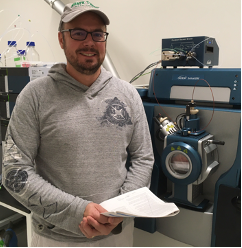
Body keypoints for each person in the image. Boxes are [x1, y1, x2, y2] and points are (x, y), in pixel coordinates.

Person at [2, 1, 154, 247]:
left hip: (118, 234)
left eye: (97, 34)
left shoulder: (128, 94)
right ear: (61, 39)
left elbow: (143, 158)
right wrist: (79, 211)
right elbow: (14, 173)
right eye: (78, 33)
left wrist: (119, 210)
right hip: (54, 238)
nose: (89, 42)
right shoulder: (35, 96)